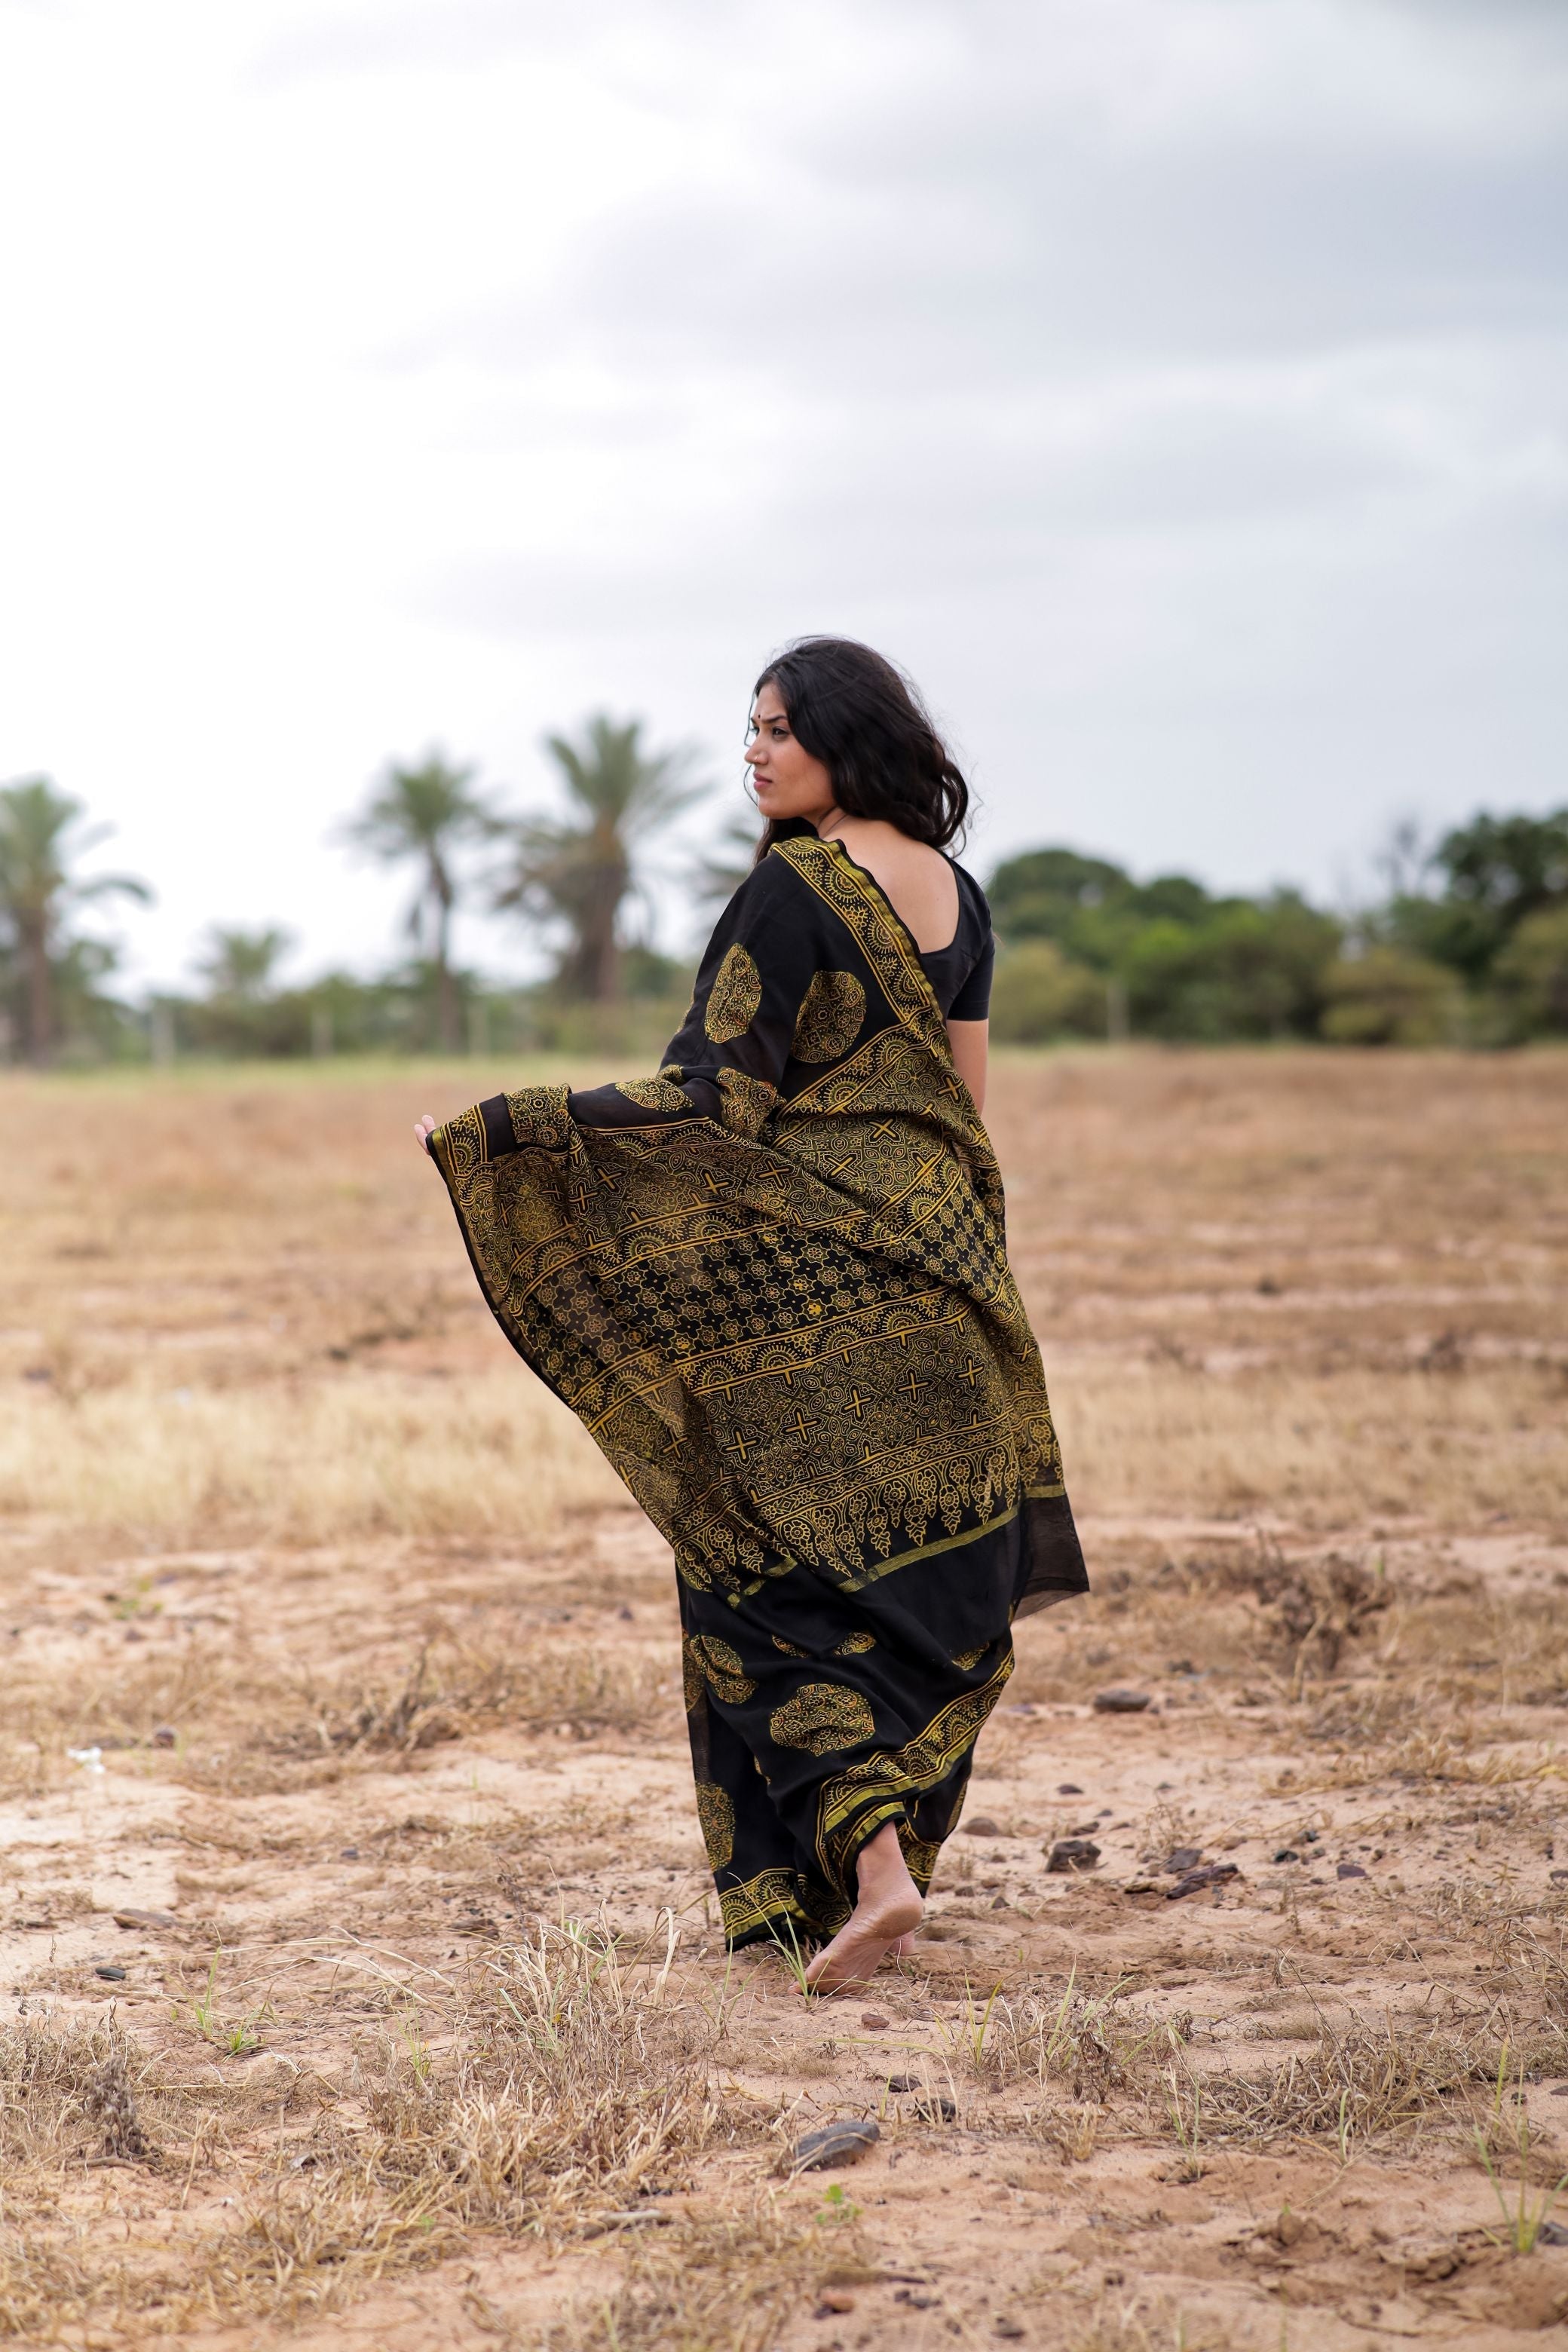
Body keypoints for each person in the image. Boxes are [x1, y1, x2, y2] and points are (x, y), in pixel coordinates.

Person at [415, 636, 1087, 1992]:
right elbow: (964, 1114)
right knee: (897, 1587)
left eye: (779, 728)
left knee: (746, 1566)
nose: (754, 752)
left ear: (846, 736)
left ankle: (868, 1874)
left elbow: (704, 1103)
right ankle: (867, 1878)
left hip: (825, 1292)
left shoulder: (794, 893)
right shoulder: (962, 895)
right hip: (949, 1286)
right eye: (750, 728)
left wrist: (516, 1129)